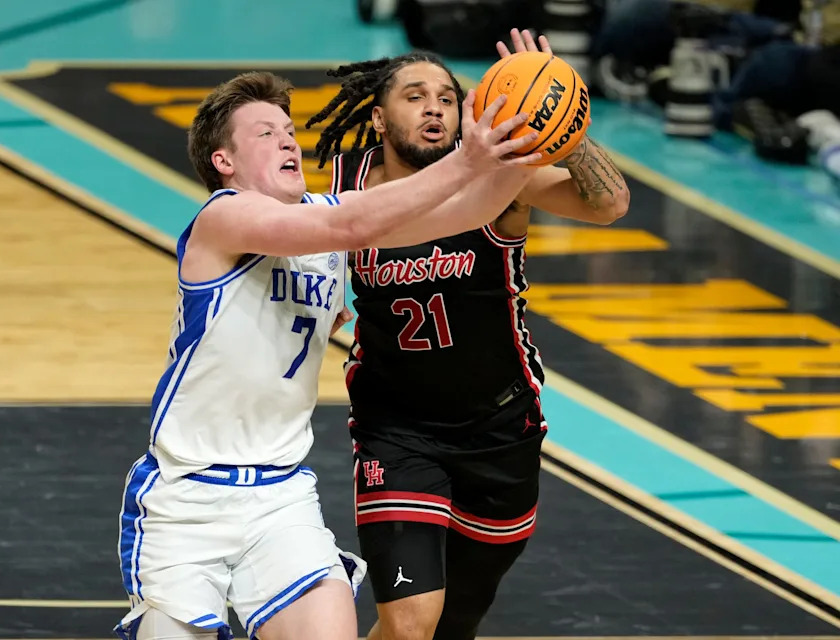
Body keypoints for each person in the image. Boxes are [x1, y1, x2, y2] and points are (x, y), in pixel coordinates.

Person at [114, 70, 545, 640]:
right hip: (189, 496)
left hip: (281, 497)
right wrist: (467, 159)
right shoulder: (225, 216)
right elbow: (351, 223)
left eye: (290, 131)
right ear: (224, 161)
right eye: (266, 134)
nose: (288, 142)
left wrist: (520, 143)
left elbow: (465, 214)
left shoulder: (323, 221)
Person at [306, 30, 630, 640]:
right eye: (415, 96)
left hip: (498, 426)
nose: (434, 108)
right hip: (394, 428)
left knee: (455, 622)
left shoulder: (502, 179)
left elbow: (609, 204)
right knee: (409, 625)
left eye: (447, 98)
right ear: (378, 118)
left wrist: (568, 128)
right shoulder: (344, 190)